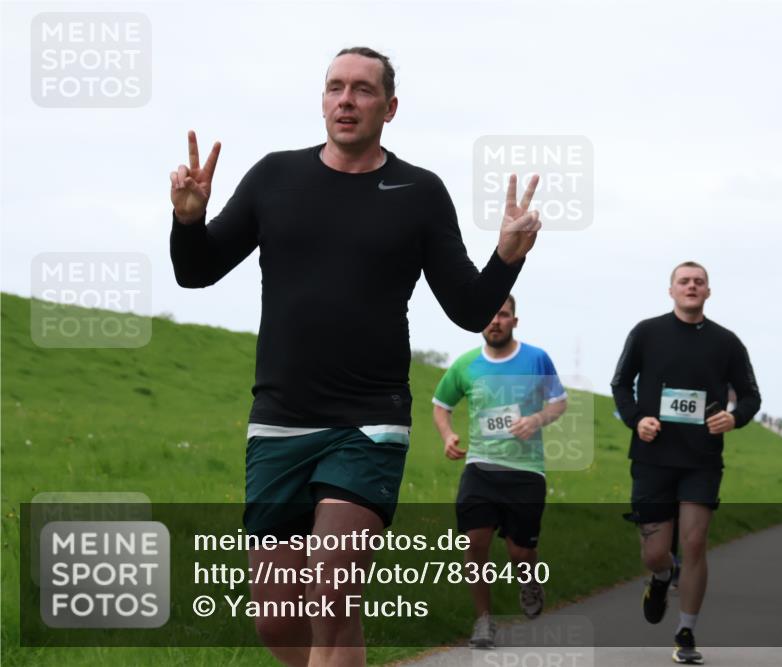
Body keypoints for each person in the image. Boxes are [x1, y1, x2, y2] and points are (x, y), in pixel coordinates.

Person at [169, 47, 542, 667]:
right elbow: (196, 272)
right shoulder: (273, 177)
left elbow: (469, 308)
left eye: (363, 90)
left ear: (389, 107)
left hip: (368, 421)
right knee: (276, 620)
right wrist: (188, 219)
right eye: (335, 87)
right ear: (322, 100)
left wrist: (507, 254)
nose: (346, 99)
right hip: (280, 418)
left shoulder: (419, 192)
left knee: (332, 600)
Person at [611, 261, 762, 665]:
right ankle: (661, 576)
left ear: (708, 292)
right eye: (684, 281)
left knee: (695, 543)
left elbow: (750, 396)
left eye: (699, 282)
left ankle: (686, 631)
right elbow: (620, 384)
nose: (692, 287)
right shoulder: (646, 332)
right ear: (671, 290)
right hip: (653, 456)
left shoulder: (727, 342)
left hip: (701, 459)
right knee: (655, 552)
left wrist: (735, 417)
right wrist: (635, 419)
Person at [431, 295, 567, 649]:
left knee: (520, 552)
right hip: (480, 466)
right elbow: (441, 405)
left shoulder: (536, 359)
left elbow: (559, 401)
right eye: (490, 315)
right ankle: (484, 621)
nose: (495, 321)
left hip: (526, 471)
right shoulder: (465, 364)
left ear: (514, 321)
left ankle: (529, 580)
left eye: (503, 315)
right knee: (475, 543)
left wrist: (536, 419)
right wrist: (448, 436)